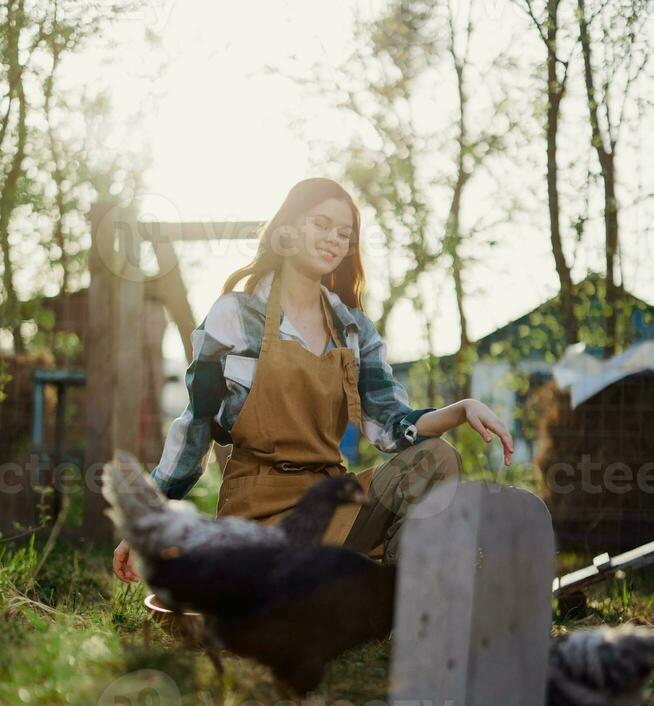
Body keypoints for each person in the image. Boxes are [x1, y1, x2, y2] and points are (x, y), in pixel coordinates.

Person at [113, 177, 513, 583]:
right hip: (257, 516)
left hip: (332, 505)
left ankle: (405, 613)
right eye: (321, 224)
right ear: (287, 228)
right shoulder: (235, 315)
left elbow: (390, 426)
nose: (333, 239)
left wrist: (461, 410)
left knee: (438, 459)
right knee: (283, 601)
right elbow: (196, 426)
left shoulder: (354, 329)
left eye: (344, 233)